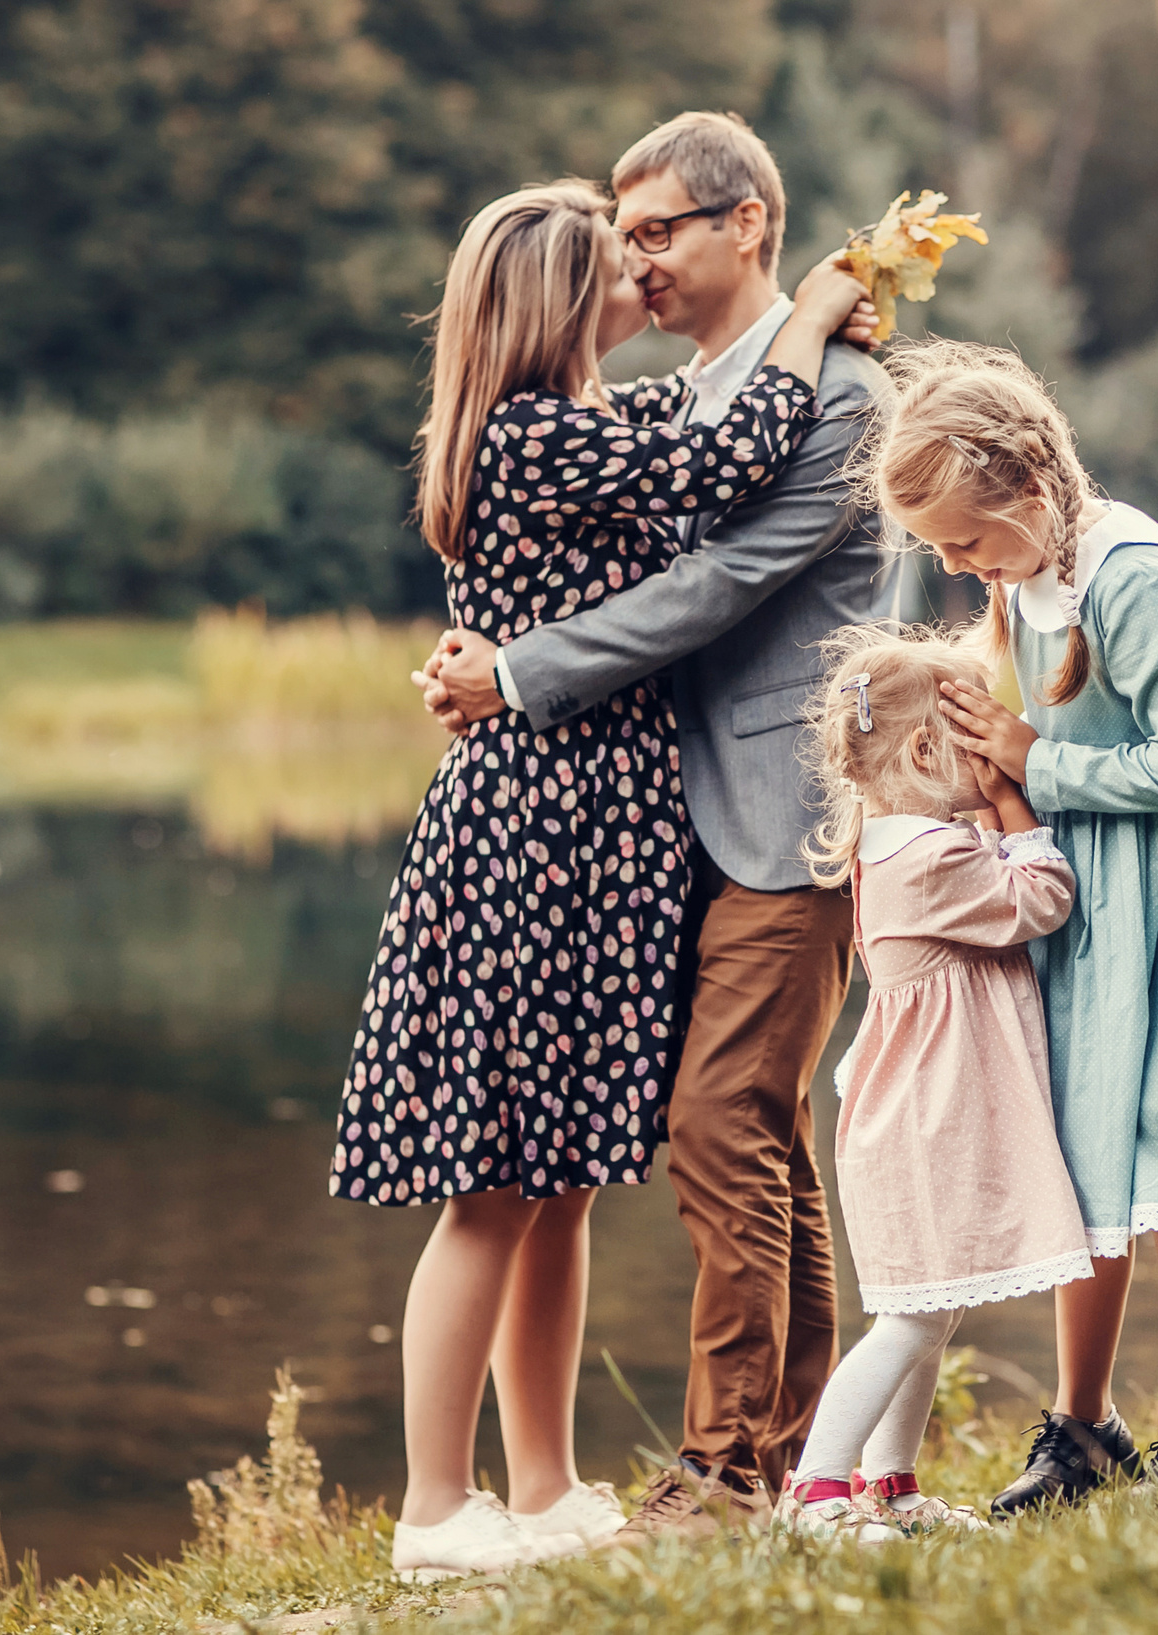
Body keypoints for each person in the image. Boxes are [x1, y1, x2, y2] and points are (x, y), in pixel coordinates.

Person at [335, 176, 869, 1580]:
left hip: (597, 835)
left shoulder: (587, 425)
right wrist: (812, 309)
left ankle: (549, 1480)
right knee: (494, 1180)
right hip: (541, 836)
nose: (639, 272)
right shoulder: (537, 437)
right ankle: (438, 1505)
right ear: (556, 302)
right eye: (611, 257)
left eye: (653, 241)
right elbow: (724, 459)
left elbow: (693, 430)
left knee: (558, 1175)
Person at [857, 340, 1158, 1511]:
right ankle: (1082, 1427)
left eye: (964, 542)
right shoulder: (1029, 577)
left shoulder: (1133, 580)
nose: (954, 563)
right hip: (1103, 887)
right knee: (1085, 1141)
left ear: (1031, 483)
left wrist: (1036, 759)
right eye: (935, 546)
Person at [776, 628, 1091, 1542]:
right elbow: (1041, 897)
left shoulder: (898, 845)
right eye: (975, 736)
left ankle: (890, 1486)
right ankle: (816, 1494)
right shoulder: (932, 858)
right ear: (926, 751)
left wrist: (985, 809)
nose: (993, 748)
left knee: (928, 1304)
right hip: (926, 1121)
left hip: (915, 1112)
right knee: (912, 1316)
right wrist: (1015, 803)